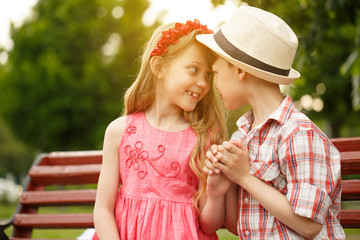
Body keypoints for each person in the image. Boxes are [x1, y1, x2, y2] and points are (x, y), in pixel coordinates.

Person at [196, 5, 346, 239]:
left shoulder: (299, 133)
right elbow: (241, 227)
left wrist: (244, 176)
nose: (213, 85)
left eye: (215, 73)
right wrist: (223, 185)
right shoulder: (241, 137)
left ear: (238, 70)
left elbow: (309, 226)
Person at [92, 19, 228, 240]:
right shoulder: (120, 131)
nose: (203, 83)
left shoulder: (204, 138)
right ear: (159, 67)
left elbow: (209, 225)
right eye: (193, 69)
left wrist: (215, 193)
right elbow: (103, 209)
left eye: (208, 75)